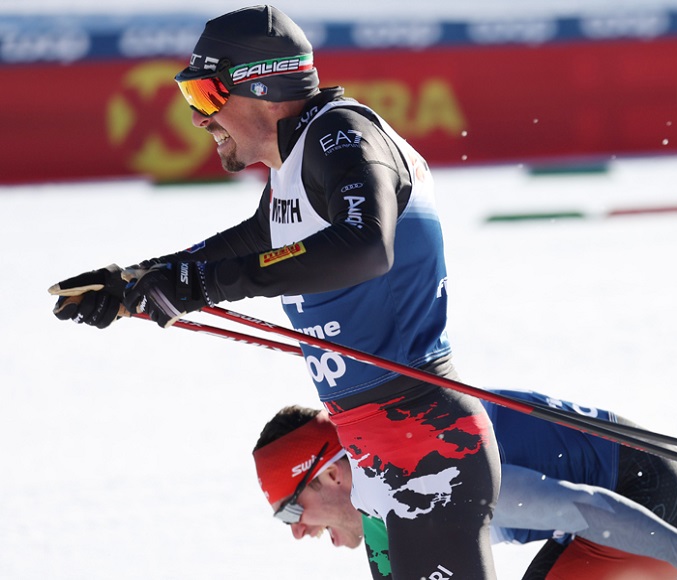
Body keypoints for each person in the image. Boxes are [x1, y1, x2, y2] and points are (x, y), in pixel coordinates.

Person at [48, 5, 500, 579]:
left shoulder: (341, 134)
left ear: (263, 87)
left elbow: (365, 247)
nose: (196, 119)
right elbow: (247, 246)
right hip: (378, 446)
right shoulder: (297, 162)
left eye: (205, 97)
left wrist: (200, 285)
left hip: (423, 441)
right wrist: (136, 281)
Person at [252, 389, 677, 579]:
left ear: (327, 473)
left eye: (290, 513)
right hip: (633, 498)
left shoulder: (425, 468)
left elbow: (581, 507)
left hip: (647, 501)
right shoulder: (381, 495)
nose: (297, 533)